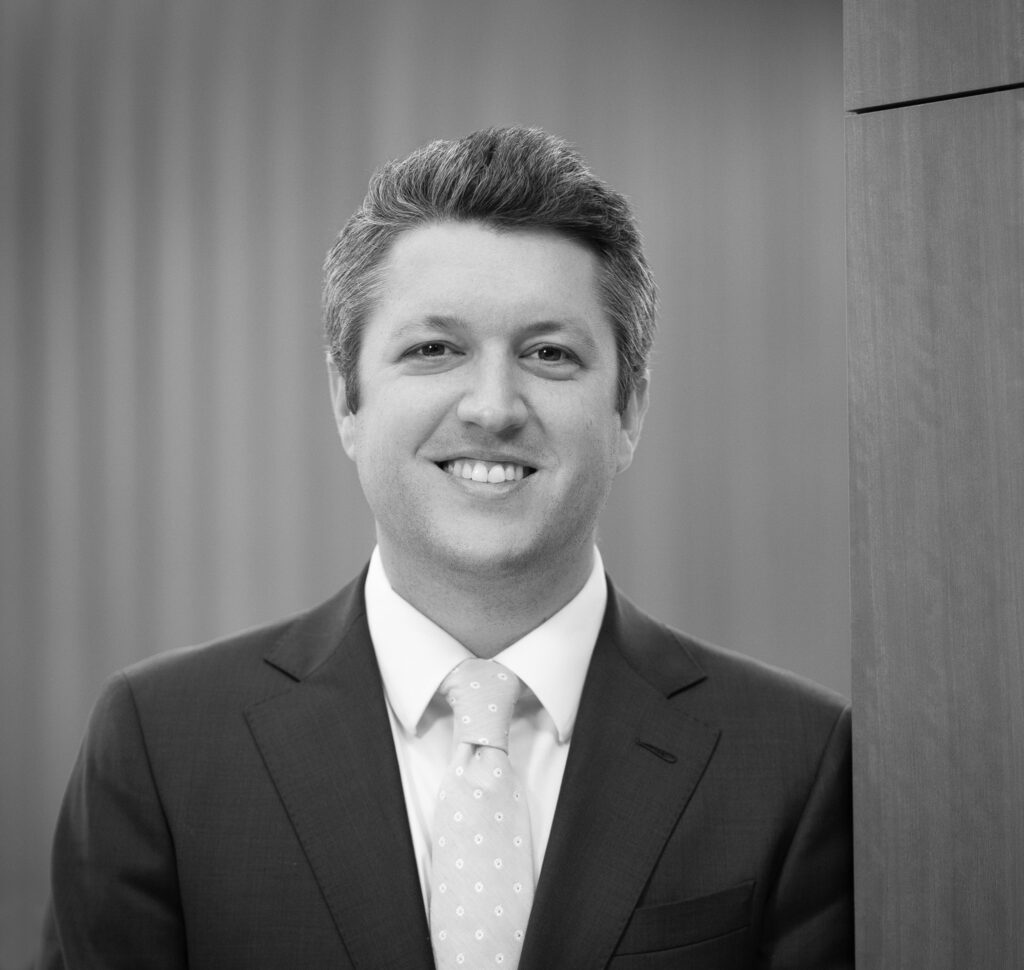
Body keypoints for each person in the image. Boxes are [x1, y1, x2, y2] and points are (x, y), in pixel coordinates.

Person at [38, 126, 853, 969]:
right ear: (347, 399)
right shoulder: (161, 745)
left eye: (549, 353)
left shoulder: (796, 760)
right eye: (434, 350)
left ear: (629, 411)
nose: (493, 407)